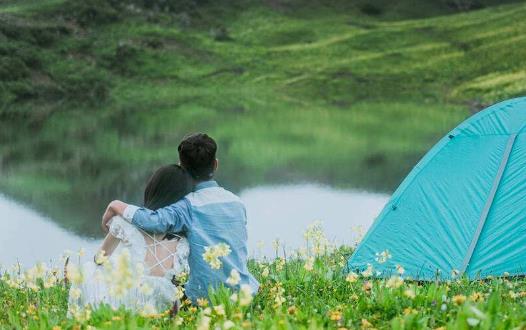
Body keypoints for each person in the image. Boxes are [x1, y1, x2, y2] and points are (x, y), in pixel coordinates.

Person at [101, 133, 259, 303]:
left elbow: (154, 221)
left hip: (205, 298)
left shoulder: (187, 206)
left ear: (181, 167)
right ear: (216, 164)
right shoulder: (236, 202)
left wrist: (116, 205)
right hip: (245, 292)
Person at [68, 165, 192, 314]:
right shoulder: (184, 241)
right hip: (161, 306)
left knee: (88, 268)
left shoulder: (125, 223)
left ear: (153, 189)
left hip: (129, 301)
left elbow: (100, 259)